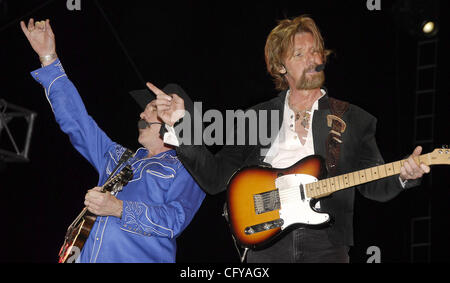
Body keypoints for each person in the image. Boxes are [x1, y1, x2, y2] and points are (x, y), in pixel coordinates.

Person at [149, 15, 430, 263]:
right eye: (299, 54)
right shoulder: (255, 117)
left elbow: (374, 185)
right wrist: (180, 124)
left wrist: (404, 175)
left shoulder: (354, 119)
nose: (312, 60)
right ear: (280, 67)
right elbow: (214, 178)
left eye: (315, 52)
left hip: (328, 244)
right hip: (265, 241)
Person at [21, 18, 205, 263]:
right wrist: (49, 58)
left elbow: (175, 220)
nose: (141, 114)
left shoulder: (188, 166)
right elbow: (78, 121)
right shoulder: (118, 157)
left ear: (171, 118)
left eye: (151, 108)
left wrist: (118, 208)